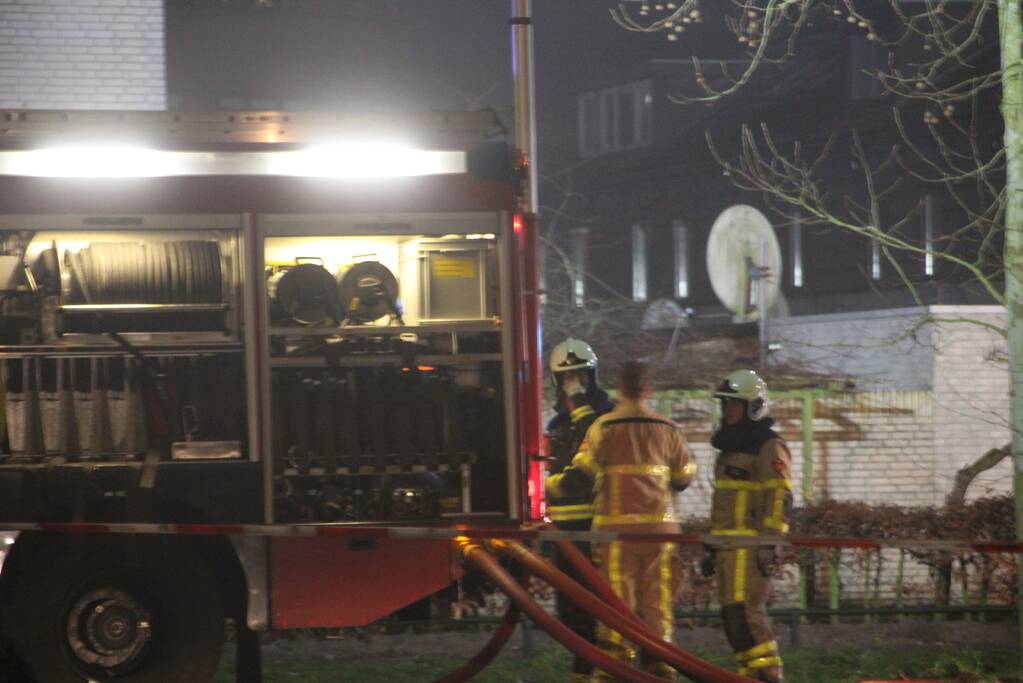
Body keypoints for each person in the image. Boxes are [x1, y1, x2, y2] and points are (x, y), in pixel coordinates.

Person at [588, 361, 696, 682]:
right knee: (657, 600)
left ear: (620, 388)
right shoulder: (669, 429)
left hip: (616, 533)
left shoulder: (603, 427)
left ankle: (613, 667)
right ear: (649, 389)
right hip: (661, 533)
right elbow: (684, 475)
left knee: (617, 601)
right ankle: (660, 665)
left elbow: (584, 469)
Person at [702, 369, 792, 683]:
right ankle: (749, 677)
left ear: (754, 406)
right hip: (726, 547)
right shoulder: (730, 448)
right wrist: (711, 546)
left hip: (750, 548)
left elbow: (779, 497)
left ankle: (769, 676)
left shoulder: (768, 446)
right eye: (725, 405)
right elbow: (725, 502)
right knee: (731, 619)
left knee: (747, 616)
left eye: (735, 405)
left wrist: (770, 543)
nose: (728, 411)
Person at [544, 338, 615, 683]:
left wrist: (582, 407)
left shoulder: (606, 417)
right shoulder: (558, 425)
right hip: (563, 531)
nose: (574, 383)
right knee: (571, 610)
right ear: (556, 381)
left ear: (593, 376)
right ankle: (582, 672)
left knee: (599, 607)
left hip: (595, 527)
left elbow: (584, 471)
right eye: (567, 377)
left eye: (581, 376)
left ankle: (602, 672)